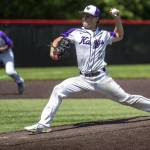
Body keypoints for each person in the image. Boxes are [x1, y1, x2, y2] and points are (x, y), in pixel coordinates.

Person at [24, 5, 150, 133]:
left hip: (101, 78)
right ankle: (43, 125)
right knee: (58, 90)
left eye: (88, 16)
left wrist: (117, 18)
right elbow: (58, 40)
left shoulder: (104, 35)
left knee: (126, 99)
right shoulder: (75, 32)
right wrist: (52, 50)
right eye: (84, 15)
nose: (84, 17)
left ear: (96, 19)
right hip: (82, 78)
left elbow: (119, 35)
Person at [0, 30, 24, 95]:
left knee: (9, 71)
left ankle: (20, 81)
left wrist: (3, 49)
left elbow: (11, 44)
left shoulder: (1, 34)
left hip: (6, 54)